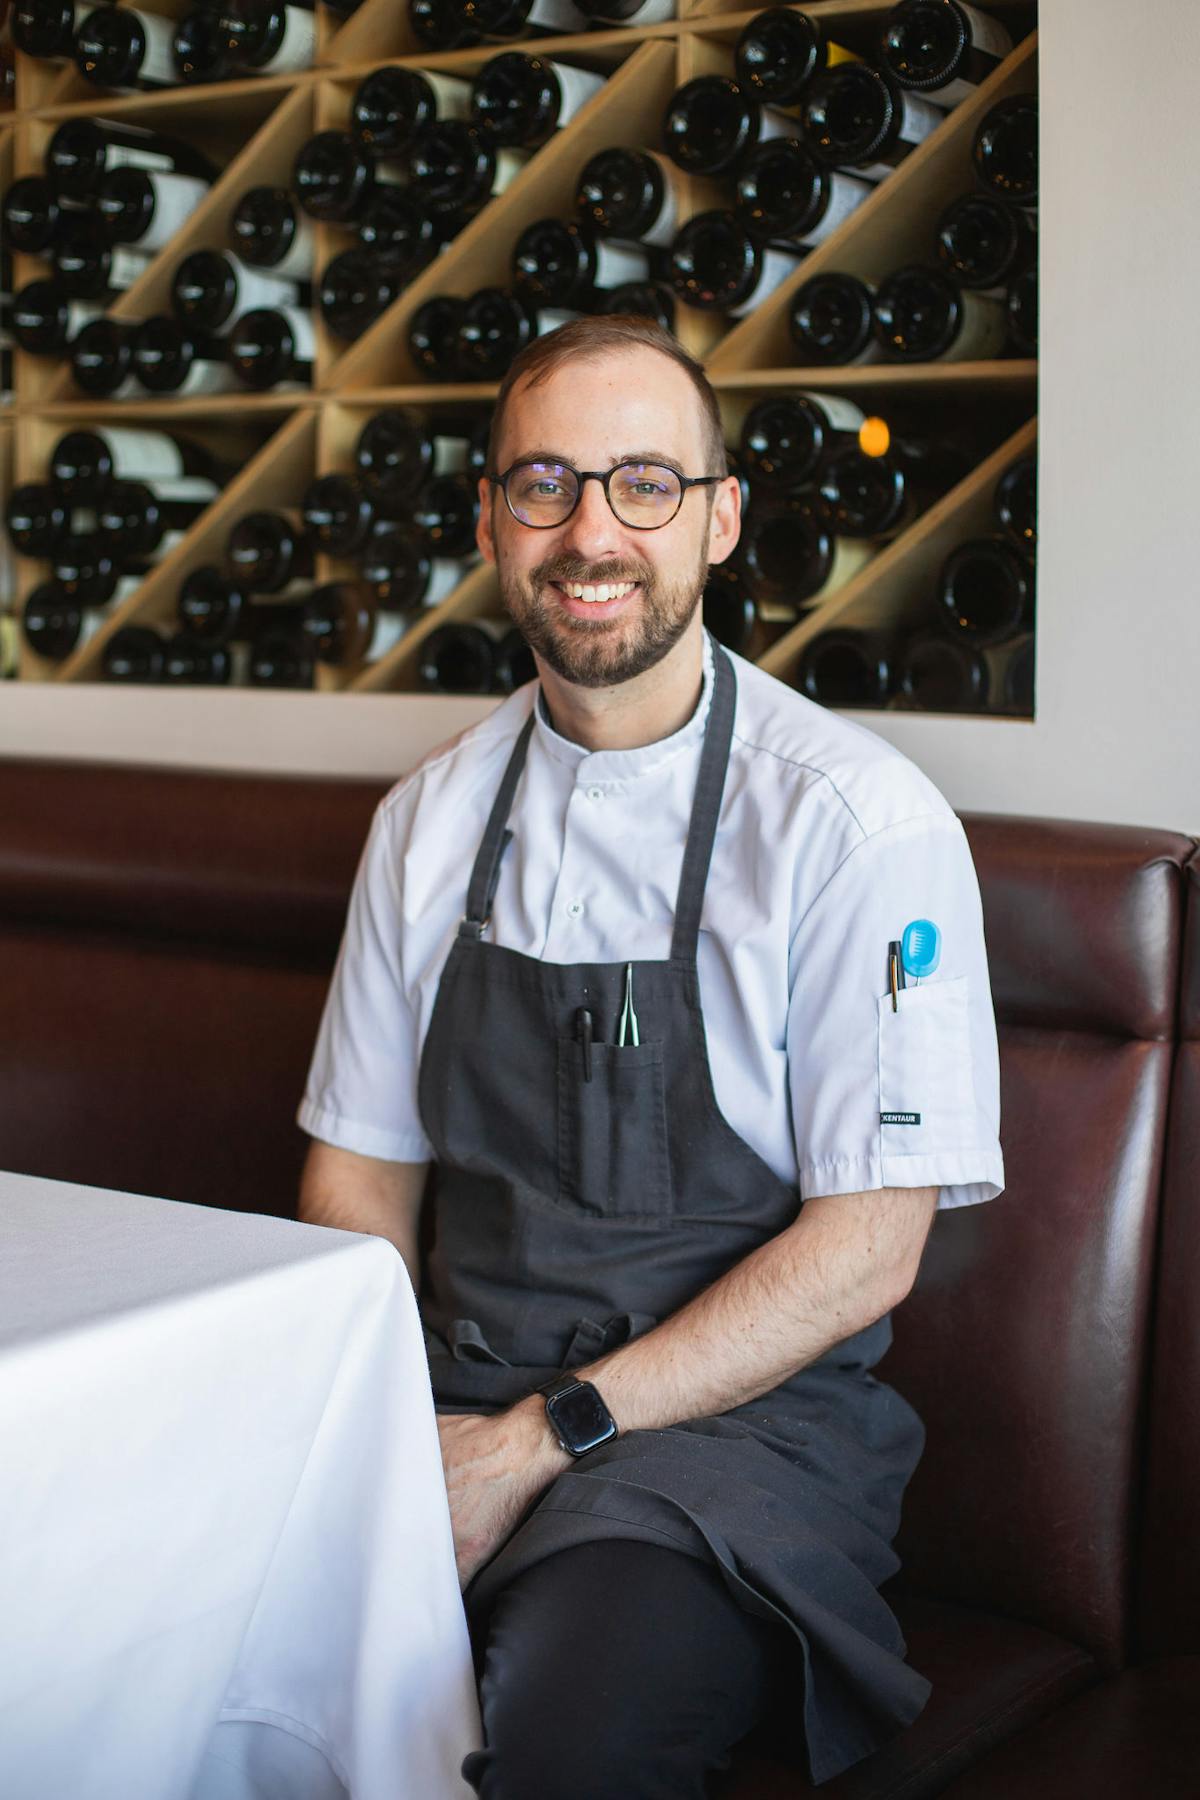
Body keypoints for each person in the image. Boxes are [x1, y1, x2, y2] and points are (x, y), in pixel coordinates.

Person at [297, 316, 1005, 1796]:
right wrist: (402, 1432)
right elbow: (357, 1179)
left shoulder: (855, 823)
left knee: (567, 1739)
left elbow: (870, 1250)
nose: (591, 531)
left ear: (720, 518)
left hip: (730, 1448)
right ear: (492, 519)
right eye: (545, 483)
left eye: (644, 483)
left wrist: (539, 1441)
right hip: (446, 1391)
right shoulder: (426, 821)